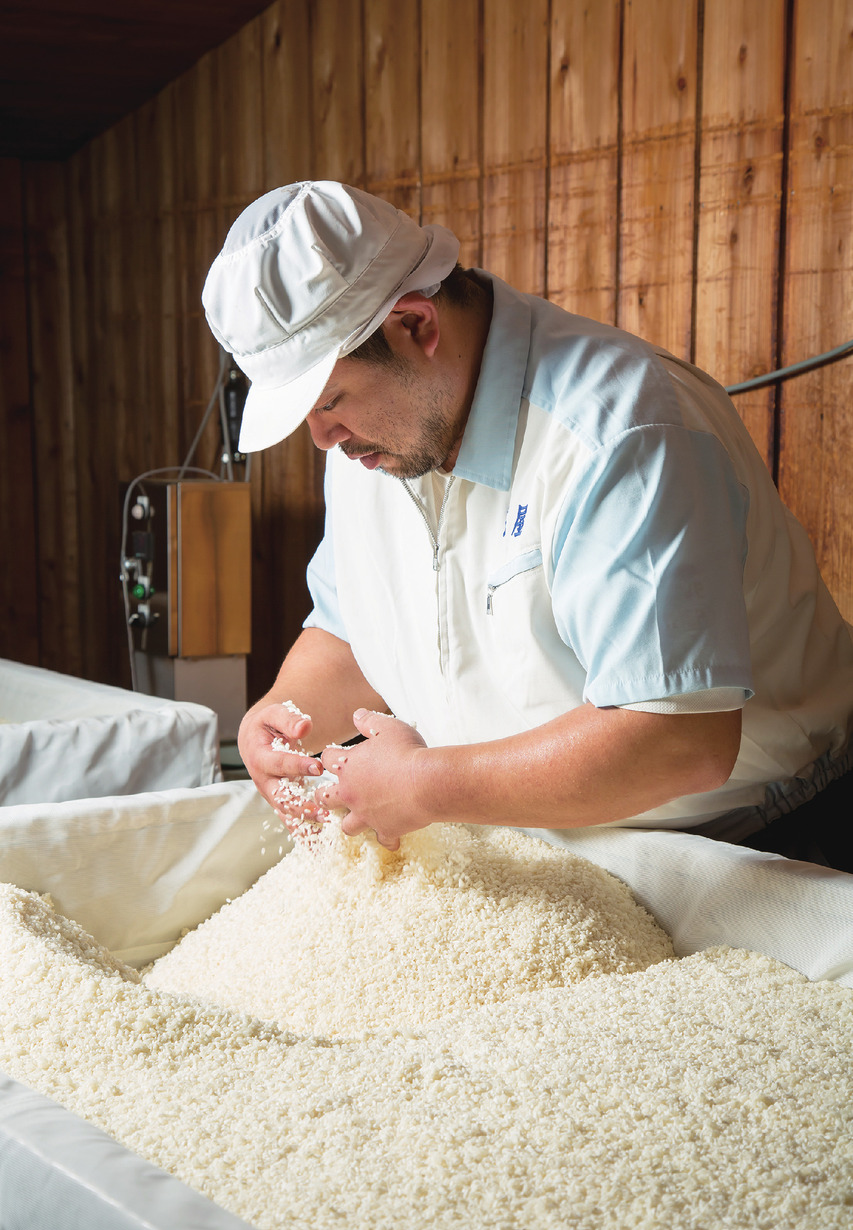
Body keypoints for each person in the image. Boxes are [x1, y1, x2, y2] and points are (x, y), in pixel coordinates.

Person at [202, 181, 853, 862]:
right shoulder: (374, 438)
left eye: (329, 399)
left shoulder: (616, 433)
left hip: (755, 844)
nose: (321, 438)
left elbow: (677, 741)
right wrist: (279, 721)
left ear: (416, 326)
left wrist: (424, 786)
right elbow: (351, 628)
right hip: (545, 846)